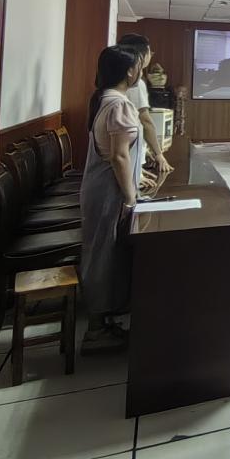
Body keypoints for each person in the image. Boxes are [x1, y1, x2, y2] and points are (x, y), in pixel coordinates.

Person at [80, 45, 144, 352]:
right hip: (109, 190)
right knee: (103, 255)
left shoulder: (104, 98)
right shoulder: (119, 104)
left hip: (101, 186)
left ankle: (102, 321)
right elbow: (119, 156)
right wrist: (130, 199)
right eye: (139, 66)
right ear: (130, 71)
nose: (141, 71)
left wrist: (137, 177)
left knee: (102, 252)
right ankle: (96, 330)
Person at [117, 33, 172, 176]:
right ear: (141, 55)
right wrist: (158, 154)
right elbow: (145, 120)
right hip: (127, 157)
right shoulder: (135, 83)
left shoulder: (115, 77)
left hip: (126, 154)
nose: (150, 55)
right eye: (149, 52)